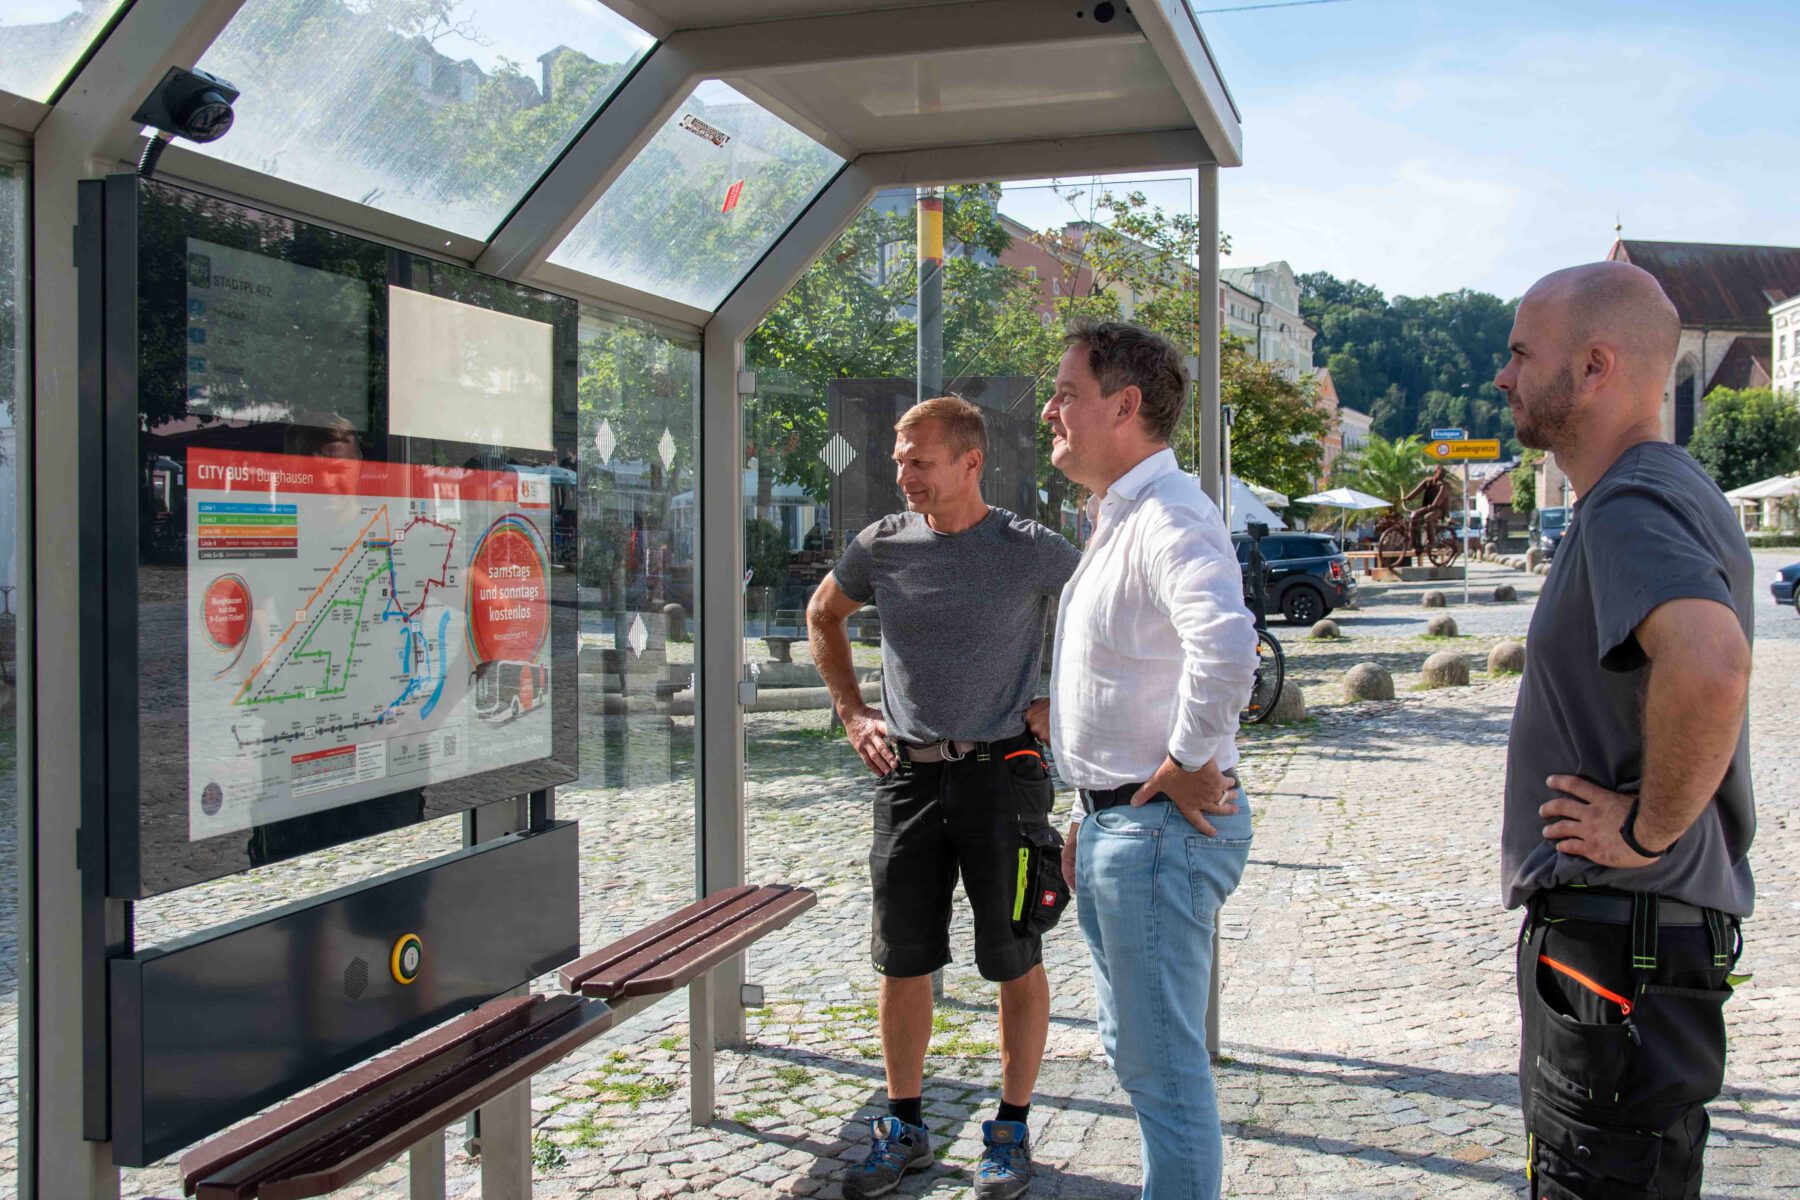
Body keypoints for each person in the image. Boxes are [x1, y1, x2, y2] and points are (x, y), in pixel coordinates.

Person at [1495, 261, 1754, 1199]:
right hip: (1629, 951)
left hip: (1620, 950)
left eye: (1522, 354)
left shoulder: (1629, 505)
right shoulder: (1661, 490)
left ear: (1595, 367)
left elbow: (1713, 664)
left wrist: (1647, 828)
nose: (1503, 376)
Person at [807, 396, 1081, 1199]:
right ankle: (903, 1127)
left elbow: (1113, 613)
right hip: (909, 777)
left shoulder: (1029, 548)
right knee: (904, 960)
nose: (903, 474)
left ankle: (1010, 1130)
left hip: (1007, 776)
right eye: (899, 459)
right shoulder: (881, 546)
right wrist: (853, 712)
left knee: (1013, 957)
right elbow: (824, 613)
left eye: (920, 460)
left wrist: (1061, 698)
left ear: (970, 463)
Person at [1042, 319, 1258, 1199]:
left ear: (1124, 406)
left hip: (1158, 825)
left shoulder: (1169, 513)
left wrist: (1180, 759)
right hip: (1125, 823)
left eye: (1066, 392)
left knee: (1163, 1076)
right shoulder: (1126, 516)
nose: (1050, 410)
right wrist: (1094, 807)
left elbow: (1228, 643)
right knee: (1143, 1062)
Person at [1402, 463, 1454, 553]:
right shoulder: (1427, 481)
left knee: (1428, 517)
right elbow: (1417, 491)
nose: (1441, 474)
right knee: (1414, 516)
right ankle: (1413, 541)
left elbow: (1439, 498)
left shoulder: (1444, 485)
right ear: (1435, 471)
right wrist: (1407, 498)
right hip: (1429, 507)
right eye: (1440, 472)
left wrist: (1433, 505)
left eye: (1443, 473)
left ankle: (1432, 541)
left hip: (1440, 510)